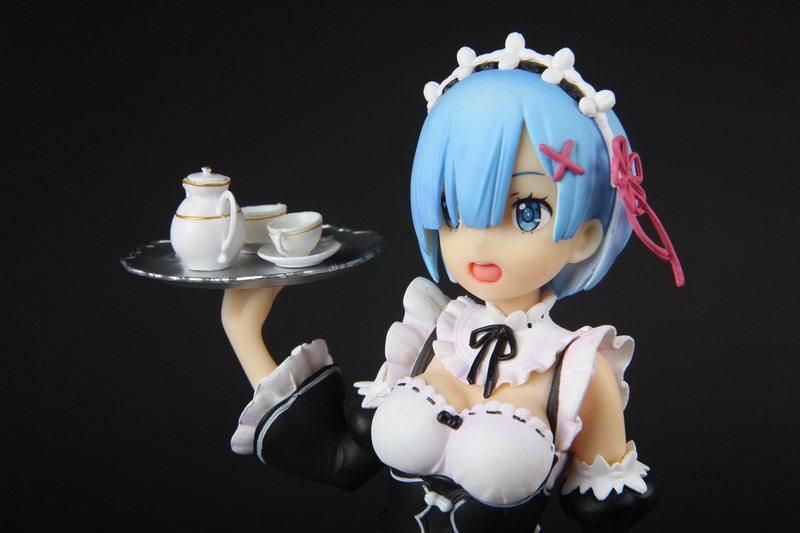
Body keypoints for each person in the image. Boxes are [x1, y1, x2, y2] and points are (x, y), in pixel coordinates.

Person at [221, 33, 681, 532]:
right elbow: (341, 458)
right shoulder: (431, 334)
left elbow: (607, 509)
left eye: (527, 212)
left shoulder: (579, 371)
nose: (479, 241)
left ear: (585, 237)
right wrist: (244, 333)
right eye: (452, 209)